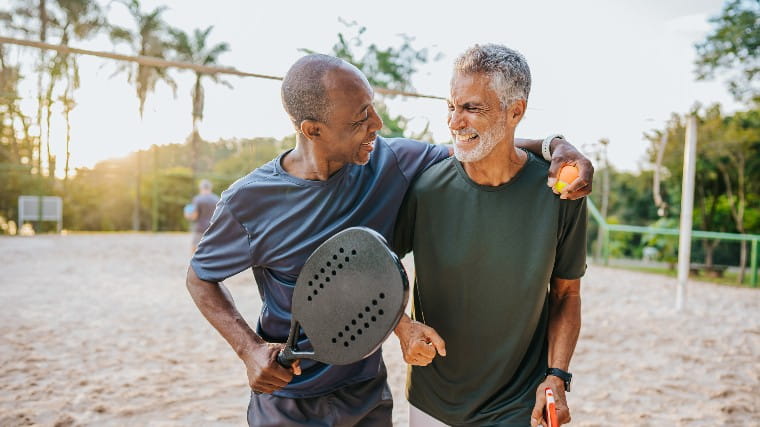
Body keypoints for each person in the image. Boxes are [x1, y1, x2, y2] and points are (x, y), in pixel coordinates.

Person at [185, 53, 592, 426]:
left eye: (373, 107)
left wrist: (555, 145)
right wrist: (249, 349)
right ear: (313, 130)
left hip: (365, 392)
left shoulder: (391, 161)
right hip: (288, 397)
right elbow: (200, 277)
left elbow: (478, 144)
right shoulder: (249, 200)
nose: (377, 124)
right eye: (361, 117)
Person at [393, 44, 587, 427]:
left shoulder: (560, 192)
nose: (454, 121)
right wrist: (402, 326)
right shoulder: (425, 188)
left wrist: (557, 375)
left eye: (472, 108)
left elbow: (567, 294)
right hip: (432, 401)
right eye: (451, 106)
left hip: (519, 404)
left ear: (516, 111)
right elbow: (374, 267)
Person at [184, 179, 221, 253]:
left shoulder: (198, 199)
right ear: (210, 188)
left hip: (200, 228)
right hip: (212, 228)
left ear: (201, 188)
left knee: (194, 247)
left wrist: (188, 216)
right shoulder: (217, 199)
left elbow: (195, 216)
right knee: (211, 249)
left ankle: (194, 263)